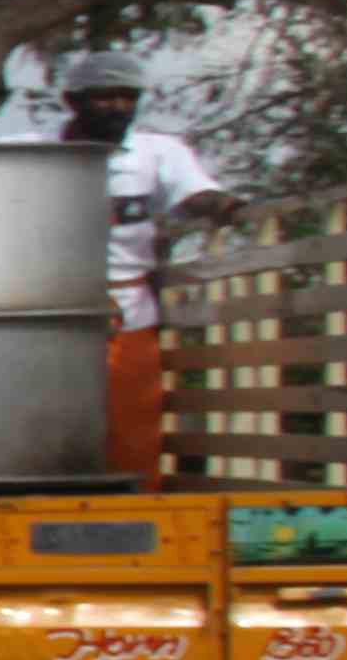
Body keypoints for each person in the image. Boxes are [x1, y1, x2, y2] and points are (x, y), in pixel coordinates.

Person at [57, 45, 232, 485]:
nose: (118, 106)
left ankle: (133, 508)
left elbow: (194, 192)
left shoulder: (157, 152)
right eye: (104, 96)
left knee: (132, 427)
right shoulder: (33, 152)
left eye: (128, 96)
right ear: (72, 101)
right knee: (48, 426)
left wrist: (219, 204)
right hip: (48, 314)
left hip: (127, 313)